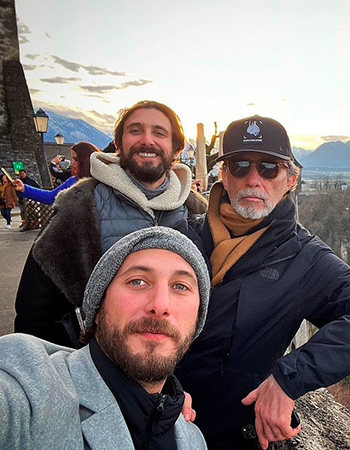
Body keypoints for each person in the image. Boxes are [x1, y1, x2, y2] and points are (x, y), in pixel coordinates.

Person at [176, 115, 350, 450]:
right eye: (240, 165)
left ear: (290, 179)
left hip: (225, 437)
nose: (254, 179)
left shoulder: (305, 259)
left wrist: (289, 377)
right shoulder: (181, 238)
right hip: (154, 419)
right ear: (224, 175)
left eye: (270, 168)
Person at [14, 100, 207, 348]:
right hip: (100, 365)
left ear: (176, 149)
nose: (147, 140)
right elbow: (36, 313)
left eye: (159, 133)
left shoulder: (196, 210)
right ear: (119, 144)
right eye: (136, 131)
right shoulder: (79, 207)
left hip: (178, 367)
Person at [0, 226, 211, 449]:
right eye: (137, 281)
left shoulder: (193, 440)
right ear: (98, 309)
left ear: (197, 320)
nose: (160, 305)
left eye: (180, 286)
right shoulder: (31, 385)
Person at [13, 142, 100, 205]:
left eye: (76, 159)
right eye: (72, 158)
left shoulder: (103, 181)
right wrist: (24, 188)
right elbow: (51, 197)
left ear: (86, 161)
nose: (72, 162)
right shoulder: (73, 181)